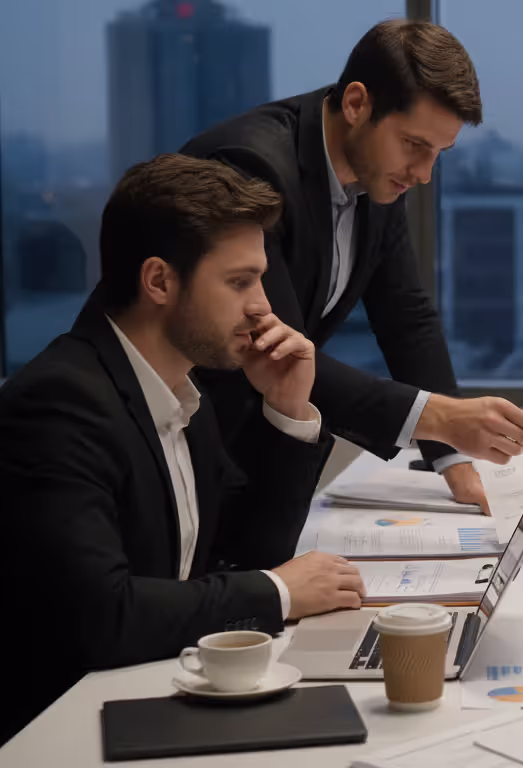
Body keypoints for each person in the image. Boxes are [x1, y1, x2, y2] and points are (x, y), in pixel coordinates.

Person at [0, 155, 370, 742]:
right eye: (239, 282)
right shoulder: (60, 404)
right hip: (64, 730)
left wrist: (288, 410)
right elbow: (105, 614)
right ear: (159, 281)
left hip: (151, 695)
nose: (262, 306)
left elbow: (238, 558)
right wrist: (279, 592)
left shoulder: (183, 395)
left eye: (260, 280)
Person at [181, 19, 523, 511]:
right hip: (190, 442)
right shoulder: (249, 168)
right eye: (414, 145)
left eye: (439, 153)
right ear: (357, 104)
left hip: (260, 447)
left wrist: (456, 462)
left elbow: (405, 317)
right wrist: (443, 418)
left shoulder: (377, 172)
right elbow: (274, 348)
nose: (424, 174)